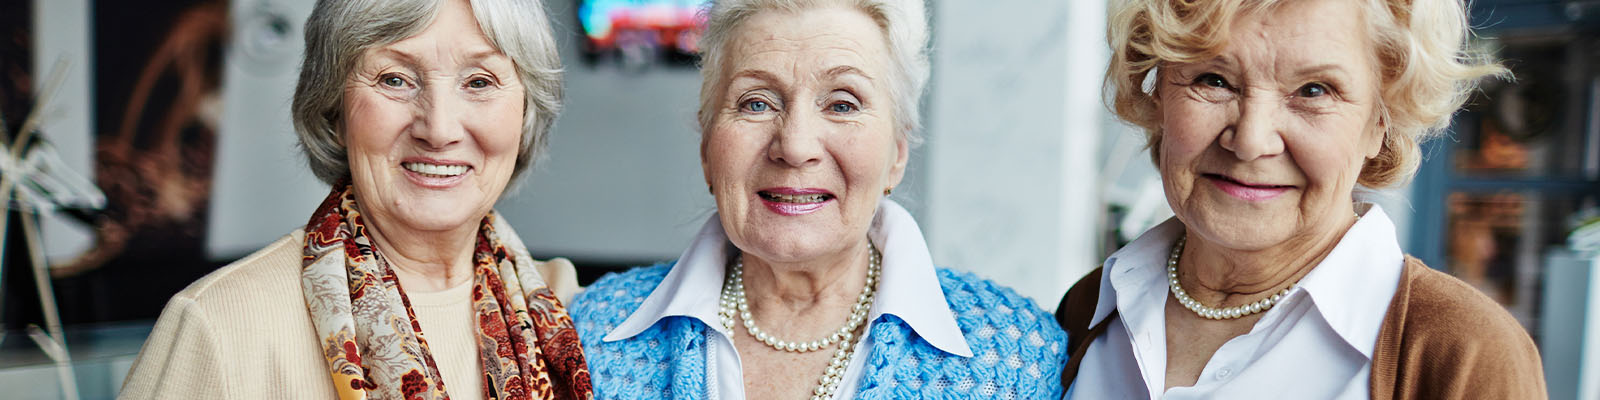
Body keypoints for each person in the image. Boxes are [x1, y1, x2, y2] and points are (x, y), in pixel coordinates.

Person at [567, 0, 1067, 398]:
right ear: (707, 150)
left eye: (843, 103)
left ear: (896, 153)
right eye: (756, 102)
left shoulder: (1015, 356)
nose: (796, 146)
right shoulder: (586, 335)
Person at [1055, 0, 1546, 398]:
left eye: (1314, 90)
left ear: (1381, 121)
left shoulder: (1459, 352)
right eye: (1213, 79)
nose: (1250, 140)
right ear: (1159, 92)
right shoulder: (1092, 306)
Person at [120, 0, 593, 398]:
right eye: (395, 79)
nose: (440, 129)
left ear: (526, 111)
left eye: (479, 82)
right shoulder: (219, 326)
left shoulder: (567, 307)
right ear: (335, 109)